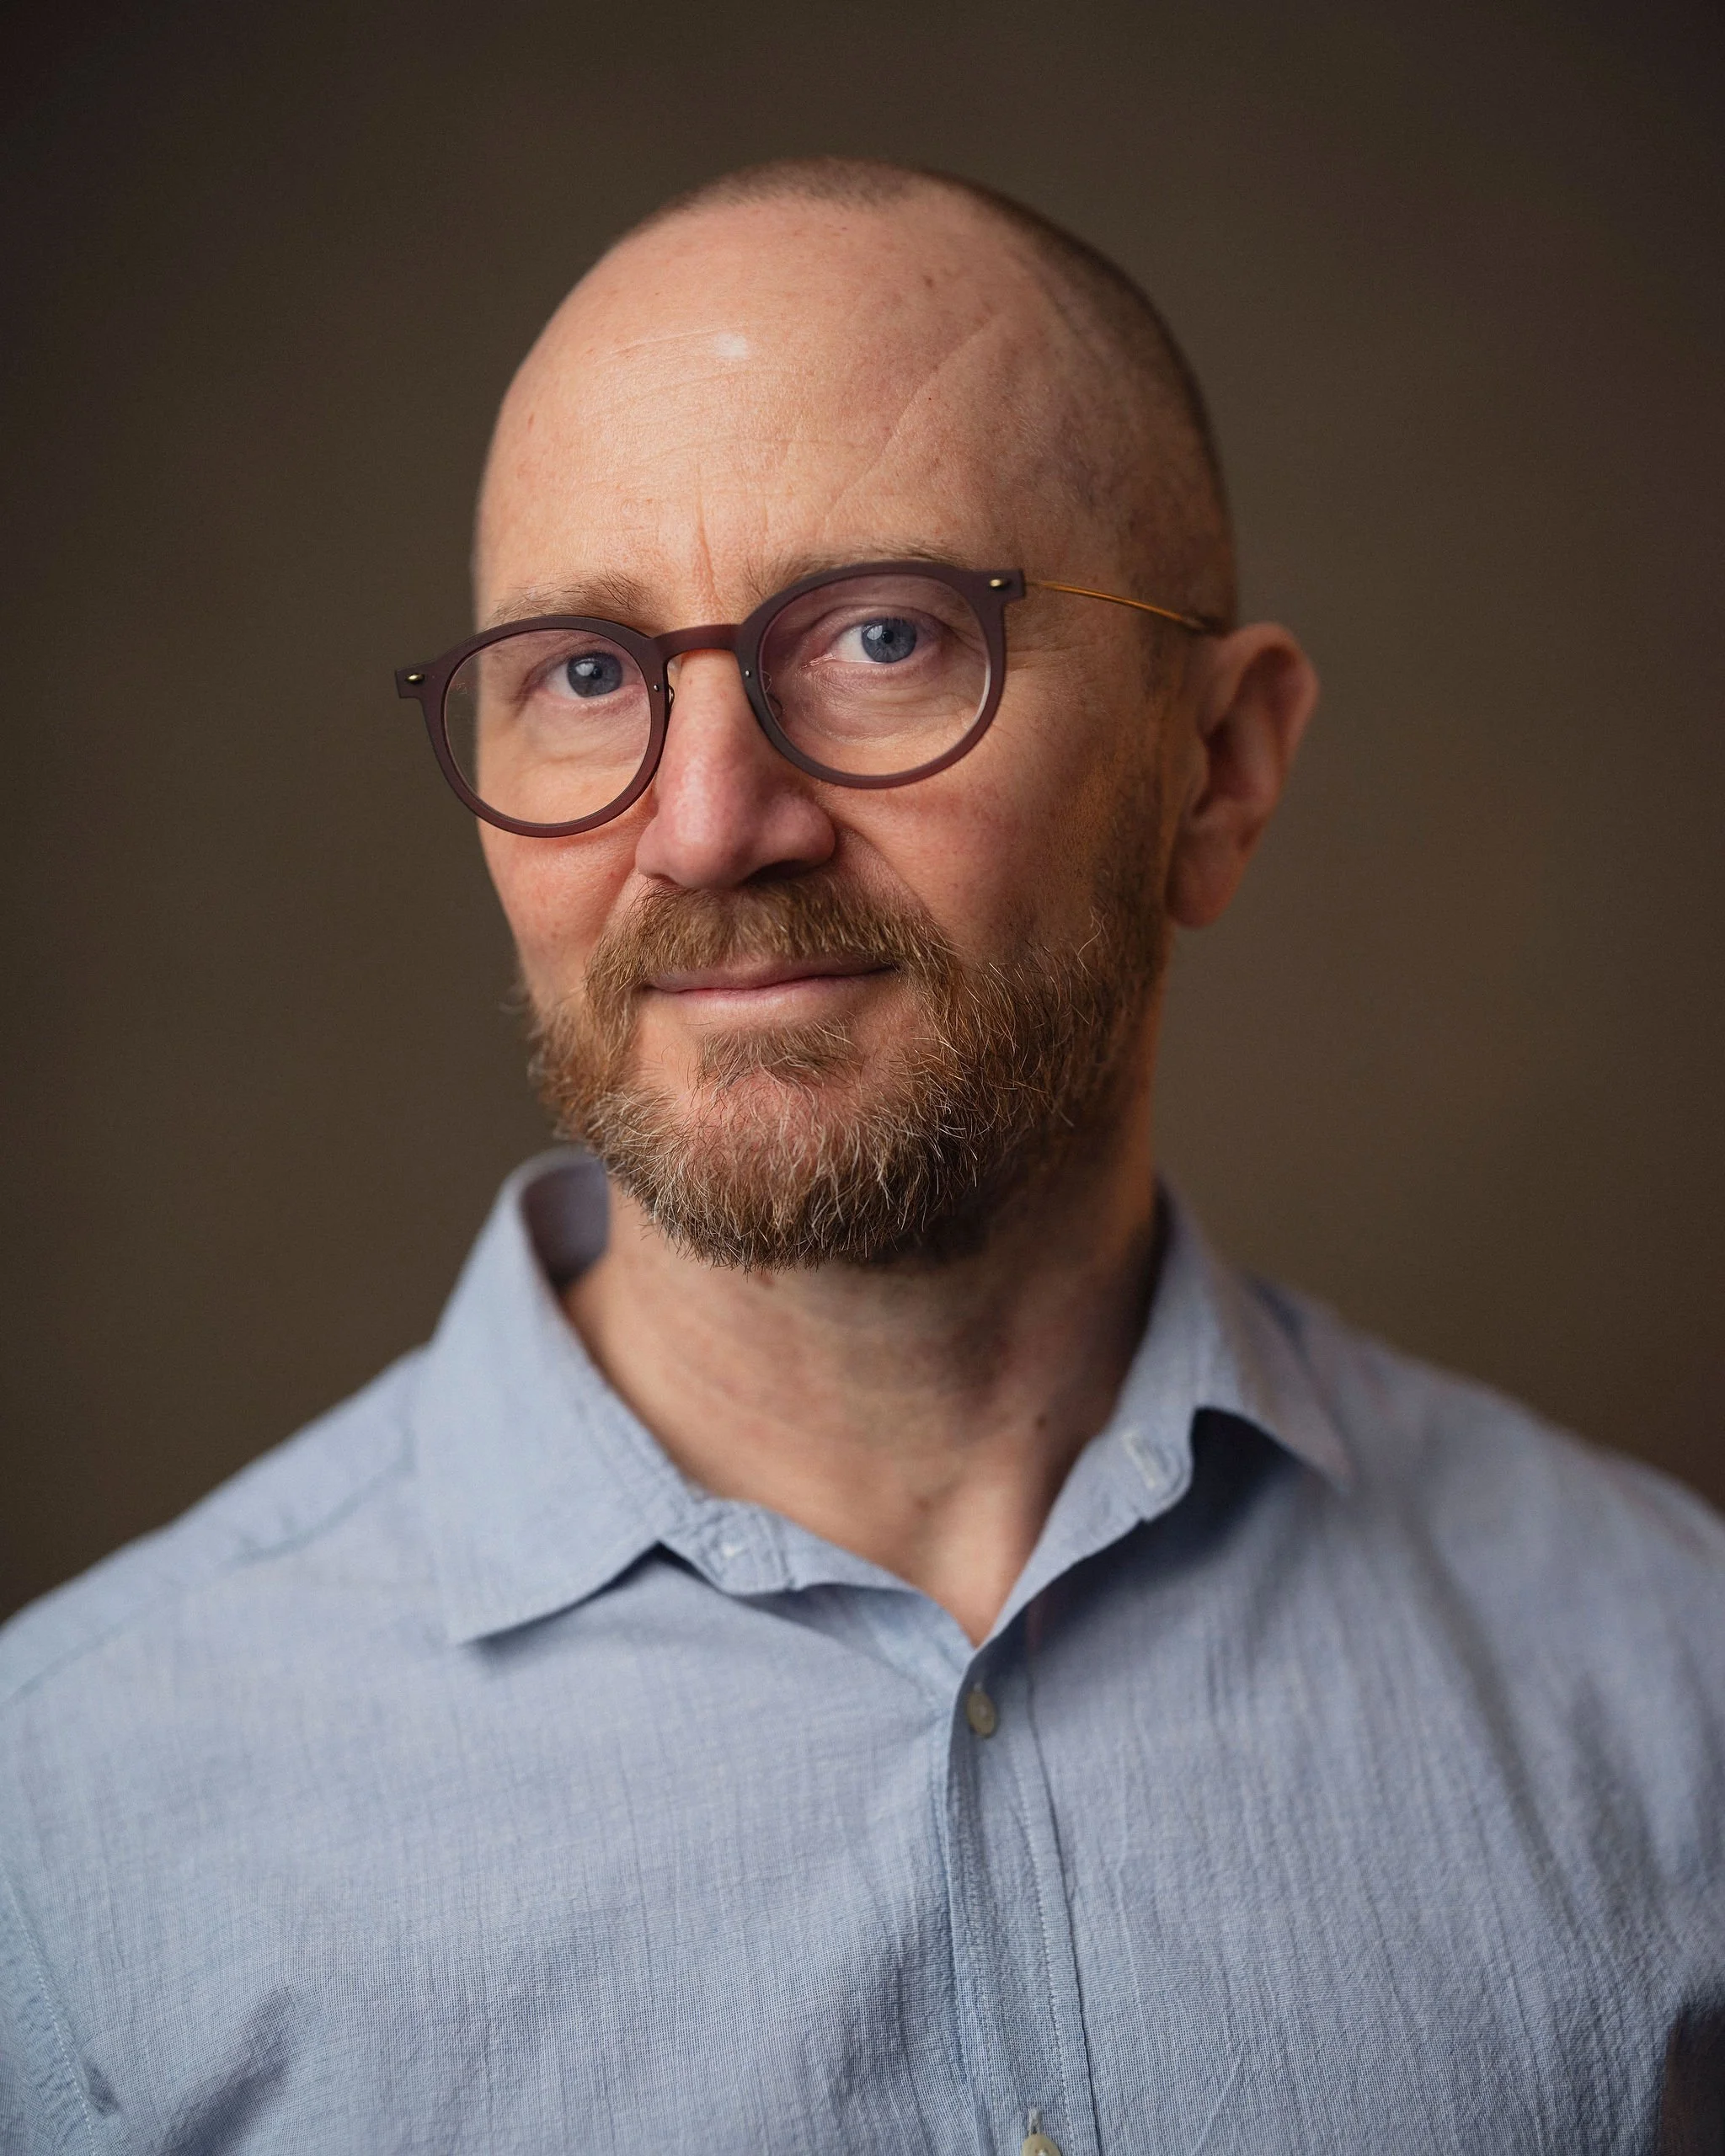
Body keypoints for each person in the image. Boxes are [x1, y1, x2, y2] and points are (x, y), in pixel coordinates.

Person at [1, 157, 1719, 2156]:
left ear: (1219, 772)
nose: (712, 822)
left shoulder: (1675, 1699)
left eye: (889, 637)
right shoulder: (65, 1833)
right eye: (580, 673)